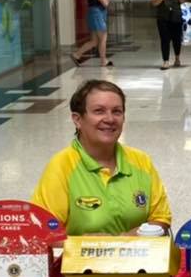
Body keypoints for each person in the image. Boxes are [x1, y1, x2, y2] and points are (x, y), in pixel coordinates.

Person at [30, 80, 171, 235]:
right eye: (99, 111)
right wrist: (91, 246)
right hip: (80, 260)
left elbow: (161, 219)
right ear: (77, 120)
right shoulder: (61, 166)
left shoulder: (141, 161)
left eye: (117, 111)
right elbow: (44, 231)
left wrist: (121, 242)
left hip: (137, 258)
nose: (110, 119)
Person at [71, 0, 112, 68]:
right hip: (96, 15)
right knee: (103, 38)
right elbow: (106, 3)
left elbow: (106, 2)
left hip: (96, 14)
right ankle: (103, 61)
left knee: (94, 41)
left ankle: (77, 55)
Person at [151, 0, 187, 70]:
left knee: (176, 38)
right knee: (164, 39)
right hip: (162, 17)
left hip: (176, 16)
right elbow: (154, 3)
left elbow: (183, 1)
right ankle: (165, 61)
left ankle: (177, 58)